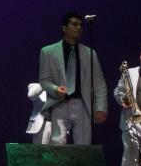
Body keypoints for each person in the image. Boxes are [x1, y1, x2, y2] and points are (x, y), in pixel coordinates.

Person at [38, 11, 107, 145]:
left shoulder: (89, 53)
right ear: (64, 28)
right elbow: (44, 80)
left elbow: (99, 84)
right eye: (74, 24)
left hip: (82, 104)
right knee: (57, 143)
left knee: (84, 146)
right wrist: (55, 89)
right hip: (59, 103)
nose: (79, 28)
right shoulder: (48, 51)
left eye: (81, 25)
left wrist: (100, 108)